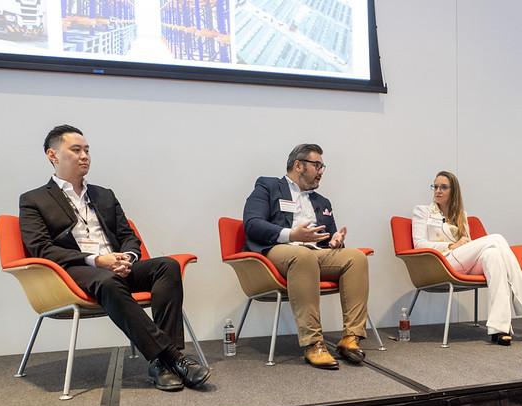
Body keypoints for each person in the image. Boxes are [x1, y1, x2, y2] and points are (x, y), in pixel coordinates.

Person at [19, 124, 210, 391]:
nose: (84, 155)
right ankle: (174, 358)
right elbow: (40, 248)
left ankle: (162, 365)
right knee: (107, 280)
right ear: (53, 155)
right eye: (76, 150)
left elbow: (128, 235)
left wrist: (127, 257)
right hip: (76, 272)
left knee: (167, 266)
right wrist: (96, 260)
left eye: (87, 150)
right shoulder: (34, 199)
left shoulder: (104, 195)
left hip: (117, 267)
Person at [243, 143, 369, 369]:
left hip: (313, 254)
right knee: (302, 255)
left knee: (356, 258)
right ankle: (313, 343)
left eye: (323, 166)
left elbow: (326, 238)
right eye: (317, 165)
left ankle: (351, 337)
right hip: (276, 251)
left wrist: (334, 242)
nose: (321, 171)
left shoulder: (322, 202)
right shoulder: (268, 186)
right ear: (298, 165)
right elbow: (252, 224)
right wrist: (291, 235)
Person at [412, 171, 522, 345]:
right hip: (441, 262)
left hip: (463, 261)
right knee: (497, 238)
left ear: (453, 191)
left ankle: (499, 328)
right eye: (435, 186)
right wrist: (451, 246)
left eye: (443, 187)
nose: (438, 191)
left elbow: (470, 245)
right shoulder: (422, 212)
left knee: (493, 255)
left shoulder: (461, 215)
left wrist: (465, 245)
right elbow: (419, 244)